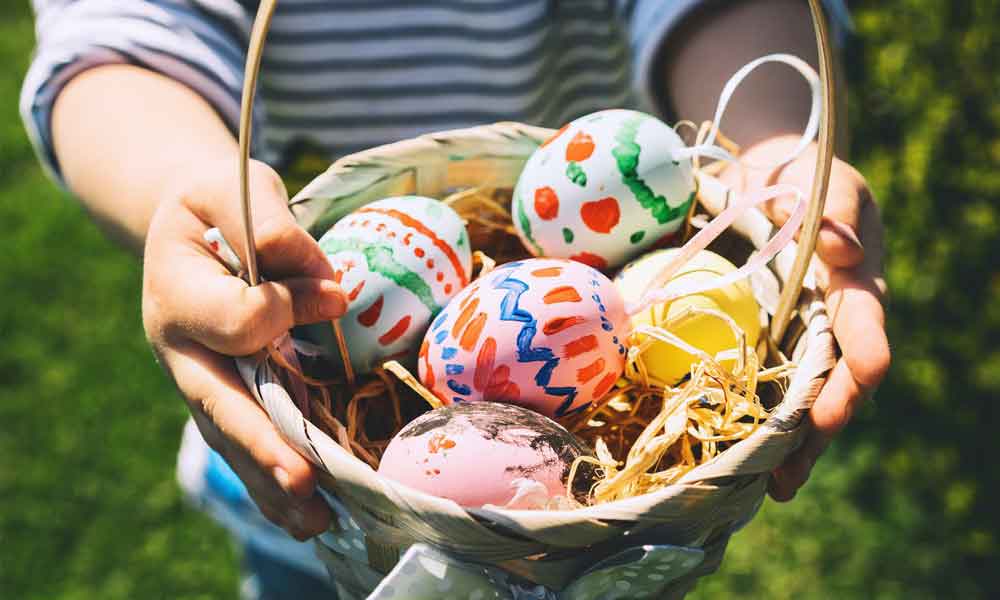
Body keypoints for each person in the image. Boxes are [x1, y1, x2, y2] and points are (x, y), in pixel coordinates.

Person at [21, 1, 889, 598]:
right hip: (315, 468)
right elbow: (120, 37)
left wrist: (767, 151)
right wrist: (193, 196)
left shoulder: (597, 294)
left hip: (597, 525)